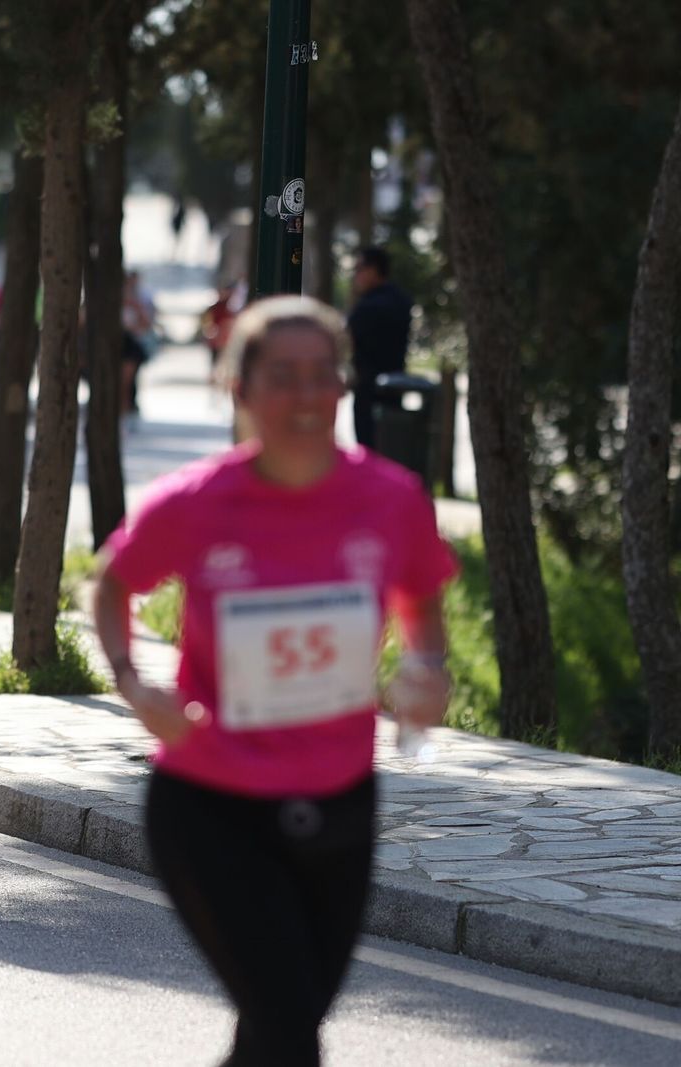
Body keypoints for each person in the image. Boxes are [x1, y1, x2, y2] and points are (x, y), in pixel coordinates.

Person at [94, 295, 456, 1067]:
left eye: (321, 375)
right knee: (293, 1036)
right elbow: (112, 582)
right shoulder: (197, 502)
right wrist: (133, 681)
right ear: (242, 389)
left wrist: (427, 666)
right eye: (283, 376)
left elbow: (421, 601)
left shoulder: (391, 498)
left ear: (343, 388)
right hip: (211, 805)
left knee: (273, 1037)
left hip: (341, 802)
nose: (304, 395)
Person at [347, 246, 414, 451]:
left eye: (359, 269)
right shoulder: (401, 299)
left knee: (369, 450)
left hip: (369, 388)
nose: (355, 276)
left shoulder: (369, 306)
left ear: (373, 270)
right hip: (395, 384)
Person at [120, 269, 157, 423]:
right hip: (119, 341)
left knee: (128, 381)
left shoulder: (142, 298)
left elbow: (147, 323)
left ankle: (127, 411)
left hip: (132, 343)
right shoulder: (111, 298)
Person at [200, 280, 239, 382]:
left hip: (226, 335)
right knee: (215, 356)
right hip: (216, 335)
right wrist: (208, 329)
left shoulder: (231, 305)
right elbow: (206, 320)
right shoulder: (215, 305)